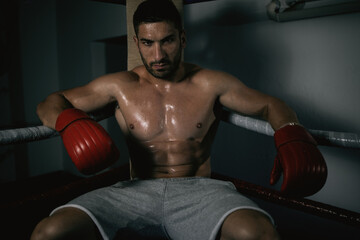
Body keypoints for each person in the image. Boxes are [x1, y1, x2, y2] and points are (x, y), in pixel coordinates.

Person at [31, 0, 327, 239]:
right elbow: (50, 103)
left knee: (259, 233)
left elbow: (270, 104)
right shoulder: (120, 86)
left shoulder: (210, 83)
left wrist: (291, 132)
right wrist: (68, 121)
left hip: (200, 192)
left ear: (182, 38)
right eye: (147, 43)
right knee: (49, 232)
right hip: (136, 191)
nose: (158, 54)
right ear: (136, 41)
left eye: (167, 41)